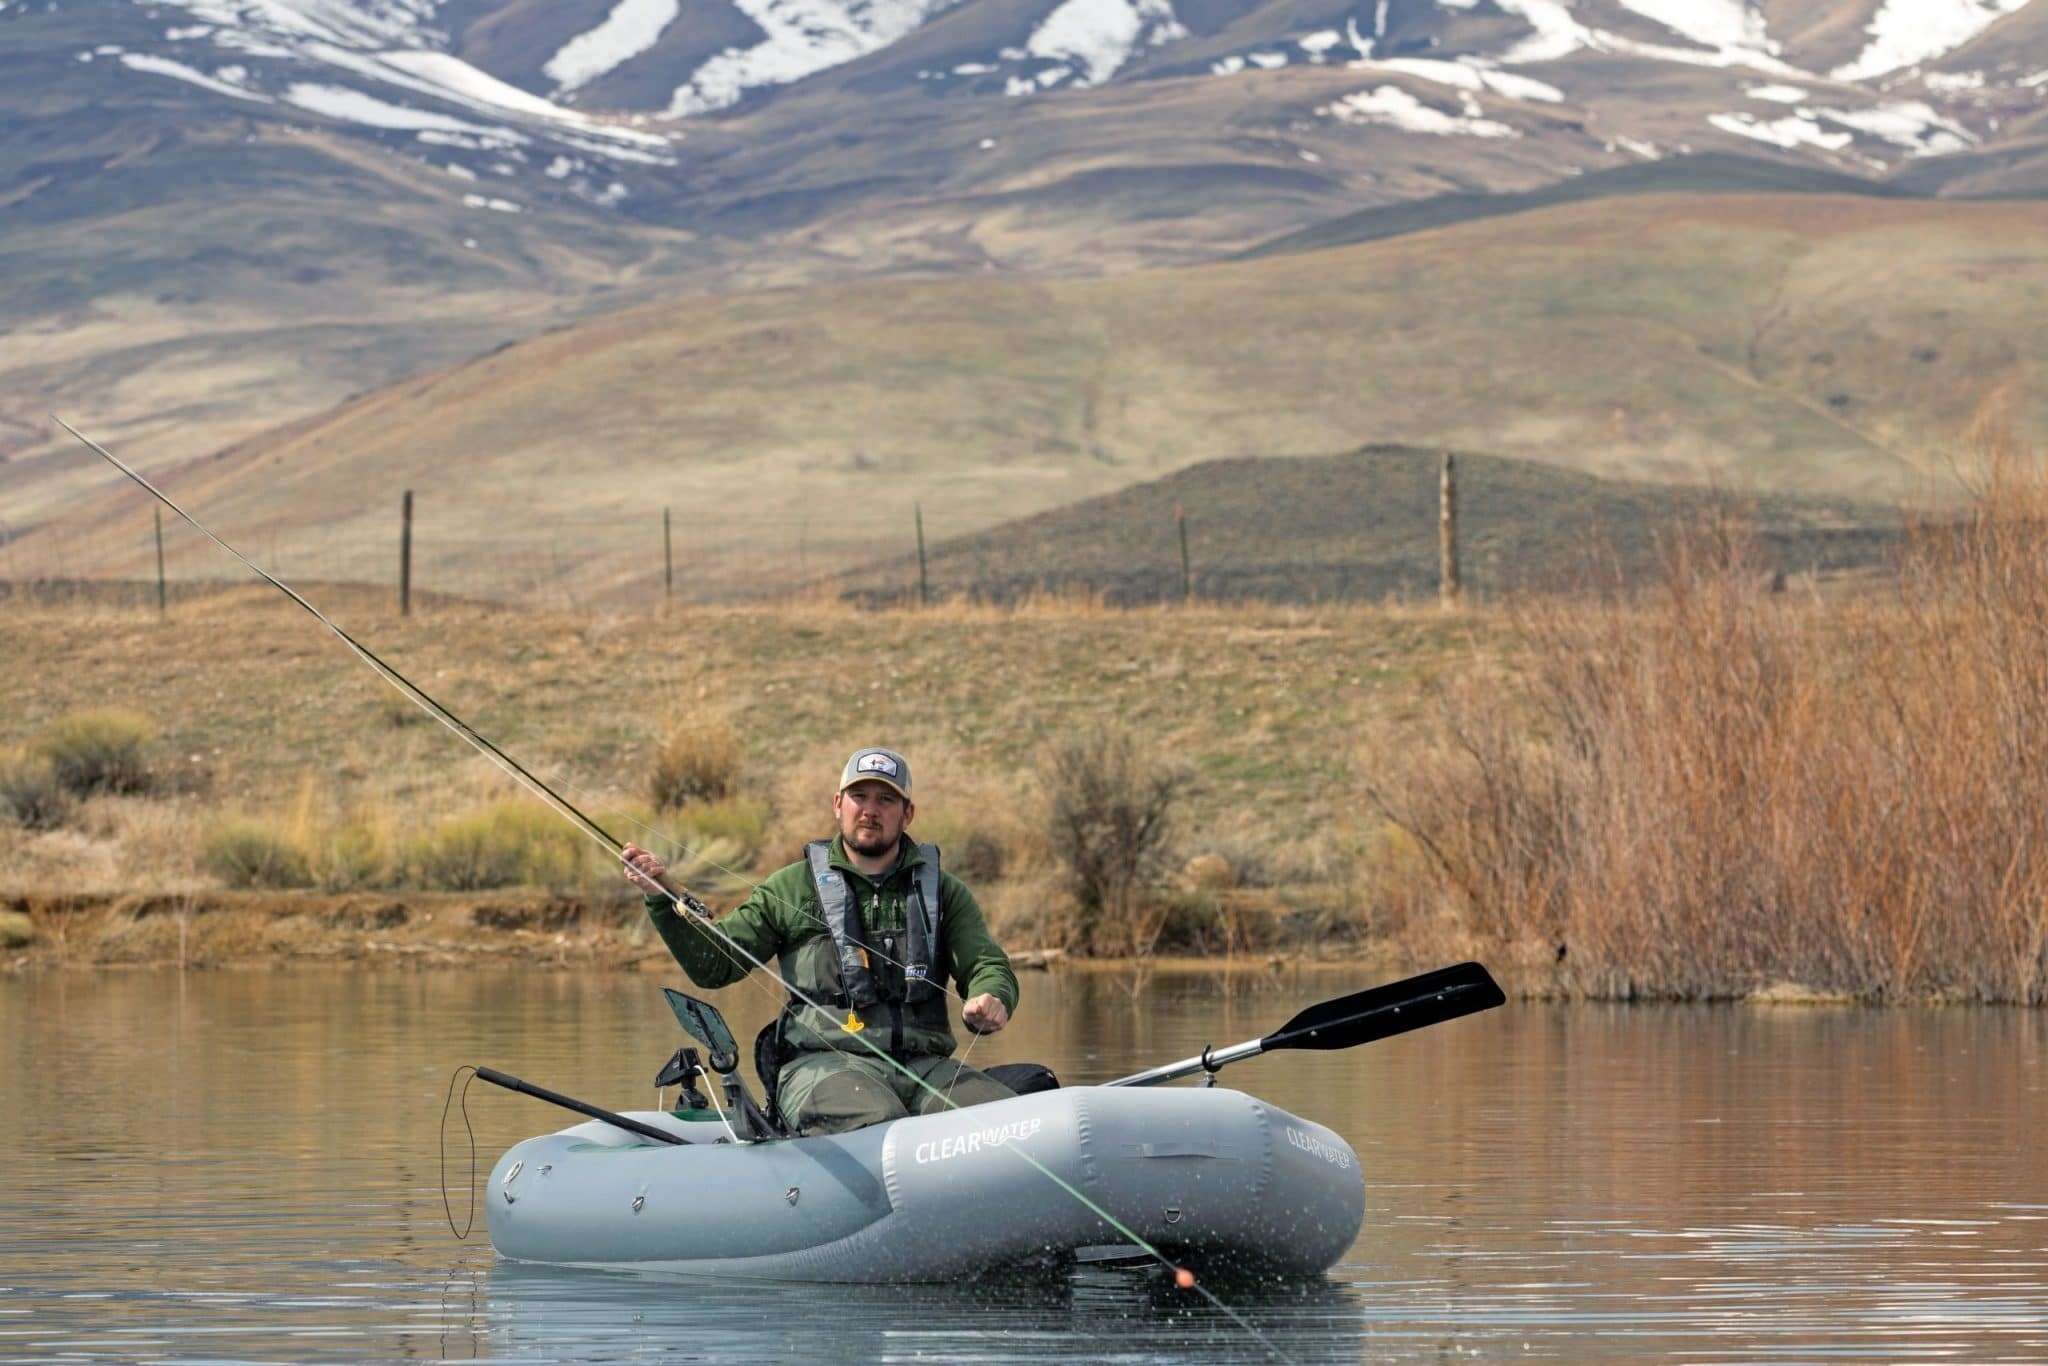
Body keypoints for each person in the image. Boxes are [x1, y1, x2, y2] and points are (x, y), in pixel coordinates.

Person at [622, 746, 1019, 1136]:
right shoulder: (792, 887)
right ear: (837, 804)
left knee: (1007, 1124)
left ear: (907, 813)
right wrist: (662, 896)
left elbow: (988, 965)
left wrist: (991, 995)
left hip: (926, 1068)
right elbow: (715, 965)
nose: (870, 810)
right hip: (821, 1066)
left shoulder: (943, 892)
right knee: (877, 1117)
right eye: (858, 797)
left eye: (885, 800)